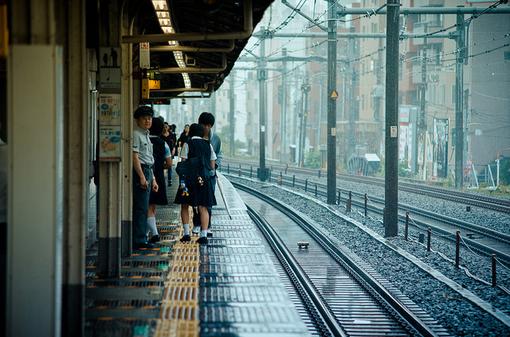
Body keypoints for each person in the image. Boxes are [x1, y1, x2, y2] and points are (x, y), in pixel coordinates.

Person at [174, 123, 217, 245]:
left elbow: (183, 162)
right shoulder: (208, 144)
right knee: (203, 207)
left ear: (191, 133)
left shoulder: (187, 143)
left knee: (185, 205)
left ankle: (186, 234)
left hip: (189, 180)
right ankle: (203, 236)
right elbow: (212, 164)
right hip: (204, 180)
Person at [132, 106, 159, 249]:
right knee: (141, 207)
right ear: (138, 120)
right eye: (144, 118)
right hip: (141, 171)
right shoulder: (136, 134)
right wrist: (142, 177)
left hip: (148, 170)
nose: (148, 120)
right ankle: (139, 240)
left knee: (144, 206)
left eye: (149, 118)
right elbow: (134, 156)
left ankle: (142, 237)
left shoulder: (146, 135)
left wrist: (153, 179)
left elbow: (149, 159)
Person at [192, 112, 222, 237]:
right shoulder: (194, 136)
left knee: (207, 201)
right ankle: (197, 224)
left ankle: (207, 226)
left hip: (209, 174)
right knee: (196, 200)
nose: (207, 128)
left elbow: (218, 154)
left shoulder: (215, 139)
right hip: (195, 173)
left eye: (209, 125)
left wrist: (215, 167)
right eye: (205, 125)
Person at [147, 117, 172, 243]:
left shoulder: (145, 140)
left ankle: (152, 233)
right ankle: (151, 232)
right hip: (159, 176)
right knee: (152, 206)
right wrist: (159, 167)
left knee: (147, 206)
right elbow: (169, 163)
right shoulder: (164, 144)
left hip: (145, 175)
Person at [161, 122, 176, 186]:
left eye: (166, 126)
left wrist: (173, 150)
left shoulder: (172, 135)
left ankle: (169, 180)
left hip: (170, 152)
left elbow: (174, 144)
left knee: (169, 166)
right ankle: (162, 179)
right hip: (162, 152)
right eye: (164, 126)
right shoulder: (160, 135)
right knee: (162, 165)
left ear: (168, 127)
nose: (165, 128)